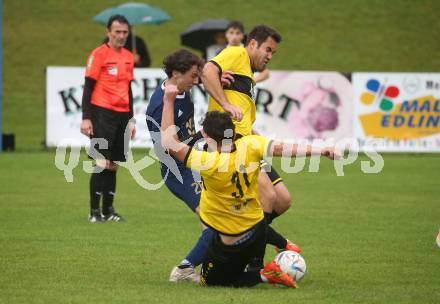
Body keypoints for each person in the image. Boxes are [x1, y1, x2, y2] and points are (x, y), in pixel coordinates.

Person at [160, 88, 339, 287]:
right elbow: (284, 148)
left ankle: (266, 274)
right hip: (257, 230)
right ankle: (278, 250)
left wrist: (168, 100)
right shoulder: (252, 144)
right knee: (247, 234)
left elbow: (169, 142)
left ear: (206, 136)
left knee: (209, 281)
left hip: (229, 240)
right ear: (234, 132)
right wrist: (322, 150)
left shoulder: (207, 162)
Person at [202, 25, 298, 268]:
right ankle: (253, 263)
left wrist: (254, 133)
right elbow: (207, 70)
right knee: (267, 196)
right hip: (233, 147)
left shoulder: (248, 77)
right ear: (252, 44)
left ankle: (241, 236)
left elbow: (241, 113)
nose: (269, 56)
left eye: (273, 53)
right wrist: (223, 103)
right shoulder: (236, 53)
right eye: (267, 49)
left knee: (282, 200)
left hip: (248, 143)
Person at [80, 14, 136, 223]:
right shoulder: (98, 54)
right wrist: (86, 118)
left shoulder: (129, 56)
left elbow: (128, 89)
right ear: (108, 32)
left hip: (122, 115)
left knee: (114, 164)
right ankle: (94, 212)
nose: (121, 36)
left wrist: (131, 120)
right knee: (101, 162)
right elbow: (88, 87)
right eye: (117, 32)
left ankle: (109, 210)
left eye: (124, 32)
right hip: (101, 113)